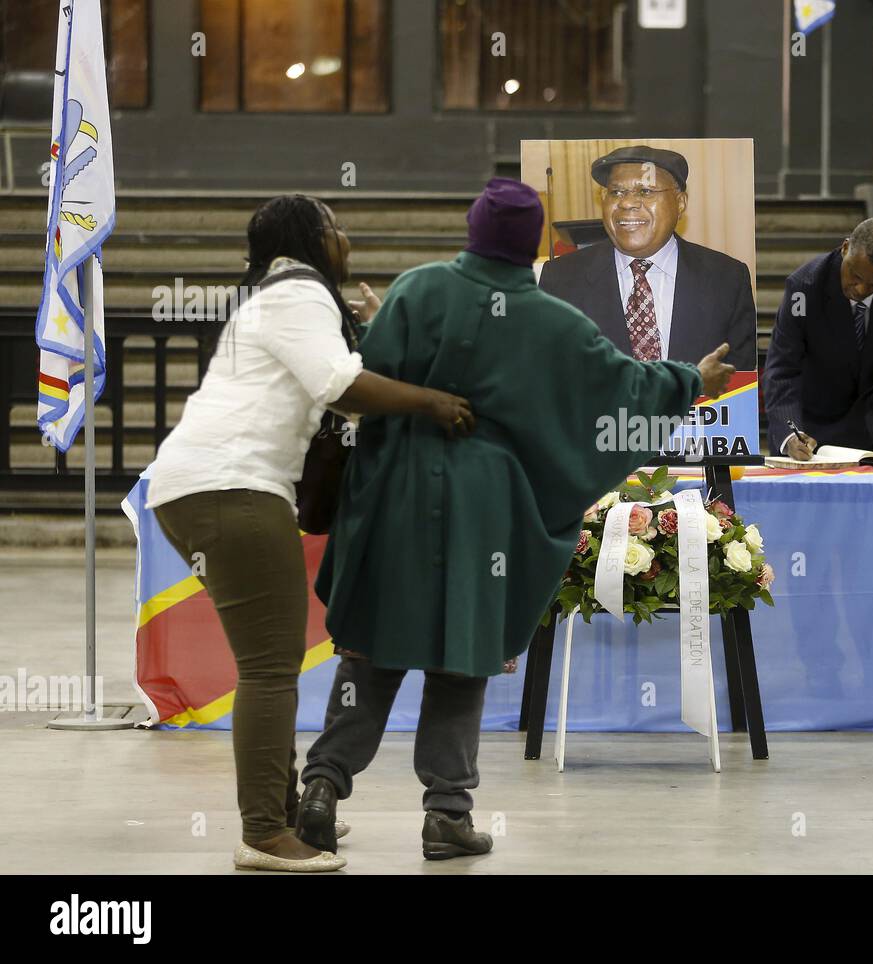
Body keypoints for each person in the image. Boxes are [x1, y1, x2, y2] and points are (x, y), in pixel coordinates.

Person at [296, 178, 735, 860]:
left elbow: (367, 377)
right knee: (461, 658)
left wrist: (389, 326)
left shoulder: (416, 291)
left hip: (398, 499)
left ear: (472, 229)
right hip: (488, 514)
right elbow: (624, 386)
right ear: (531, 242)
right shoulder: (556, 323)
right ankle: (446, 814)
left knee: (371, 651)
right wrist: (692, 380)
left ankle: (322, 785)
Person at [145, 195, 476, 873]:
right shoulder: (299, 291)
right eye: (336, 226)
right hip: (231, 487)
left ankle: (287, 811)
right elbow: (339, 384)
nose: (345, 237)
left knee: (270, 662)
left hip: (208, 487)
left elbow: (329, 374)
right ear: (312, 237)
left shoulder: (279, 294)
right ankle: (264, 833)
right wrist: (432, 402)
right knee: (269, 670)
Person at [538, 145, 758, 370]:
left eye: (645, 191)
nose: (626, 203)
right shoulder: (560, 280)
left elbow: (740, 386)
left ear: (680, 203)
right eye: (616, 192)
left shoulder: (727, 279)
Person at [762, 218, 873, 459]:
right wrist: (791, 435)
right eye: (855, 274)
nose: (860, 289)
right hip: (812, 434)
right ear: (845, 248)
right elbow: (782, 370)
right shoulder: (804, 287)